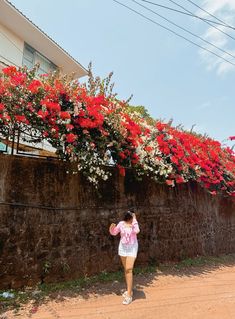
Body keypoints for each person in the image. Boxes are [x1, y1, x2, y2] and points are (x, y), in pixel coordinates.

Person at [109, 210, 140, 305]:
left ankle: (129, 295)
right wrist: (111, 228)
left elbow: (137, 231)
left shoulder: (134, 224)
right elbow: (114, 233)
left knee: (129, 269)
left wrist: (135, 220)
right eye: (131, 216)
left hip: (132, 248)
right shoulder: (121, 224)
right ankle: (129, 289)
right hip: (123, 248)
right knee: (126, 270)